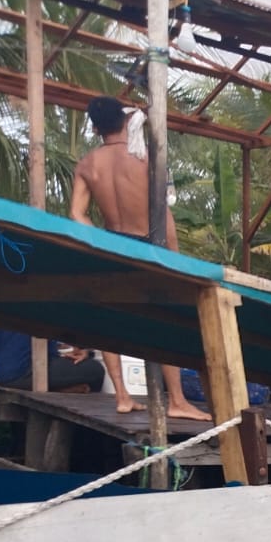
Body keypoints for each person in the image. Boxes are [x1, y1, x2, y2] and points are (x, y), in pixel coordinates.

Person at [70, 95, 210, 421]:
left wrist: (102, 243)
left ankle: (122, 396)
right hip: (150, 246)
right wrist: (175, 259)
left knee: (110, 324)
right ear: (125, 122)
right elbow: (164, 215)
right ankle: (177, 400)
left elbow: (77, 214)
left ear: (95, 128)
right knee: (165, 324)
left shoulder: (87, 164)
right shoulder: (146, 159)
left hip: (112, 246)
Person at [0, 329, 105, 394]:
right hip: (25, 372)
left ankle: (59, 389)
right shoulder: (41, 300)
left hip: (2, 373)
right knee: (95, 370)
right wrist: (82, 346)